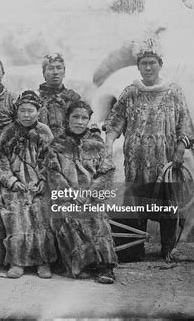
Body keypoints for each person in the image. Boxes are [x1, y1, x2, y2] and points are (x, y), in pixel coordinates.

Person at [104, 39, 194, 261]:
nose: (148, 67)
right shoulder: (131, 92)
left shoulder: (174, 92)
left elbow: (185, 125)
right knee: (136, 203)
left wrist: (180, 149)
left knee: (167, 205)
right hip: (136, 162)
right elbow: (115, 122)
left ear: (160, 64)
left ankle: (167, 249)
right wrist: (109, 142)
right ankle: (134, 249)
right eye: (144, 63)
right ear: (138, 66)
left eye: (152, 63)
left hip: (166, 162)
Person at [46, 100, 118, 284]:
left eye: (84, 118)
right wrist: (71, 194)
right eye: (75, 117)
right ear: (67, 119)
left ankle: (105, 266)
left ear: (88, 120)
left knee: (96, 216)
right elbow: (53, 174)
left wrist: (90, 193)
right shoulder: (57, 145)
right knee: (69, 215)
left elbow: (106, 173)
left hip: (92, 197)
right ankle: (81, 264)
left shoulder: (97, 144)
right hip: (65, 197)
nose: (79, 121)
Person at [0, 90, 57, 279]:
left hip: (38, 185)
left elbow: (51, 159)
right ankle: (17, 261)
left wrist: (43, 180)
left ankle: (43, 262)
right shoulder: (9, 132)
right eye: (23, 110)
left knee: (41, 214)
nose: (27, 115)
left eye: (31, 111)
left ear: (38, 112)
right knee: (16, 214)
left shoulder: (44, 132)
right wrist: (12, 181)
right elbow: (1, 160)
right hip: (14, 186)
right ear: (17, 112)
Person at [38, 53, 81, 136]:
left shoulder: (73, 98)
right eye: (50, 68)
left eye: (59, 68)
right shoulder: (35, 98)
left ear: (64, 72)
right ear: (43, 73)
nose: (55, 72)